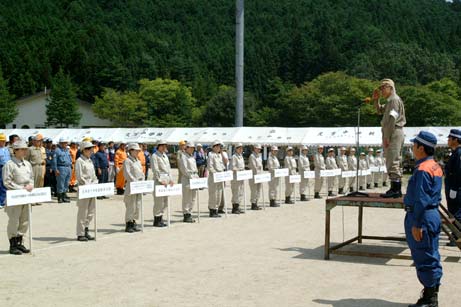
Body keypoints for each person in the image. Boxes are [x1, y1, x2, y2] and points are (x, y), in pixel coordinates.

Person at [404, 131, 443, 307]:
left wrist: (417, 223)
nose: (412, 148)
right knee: (431, 255)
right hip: (431, 215)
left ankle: (429, 300)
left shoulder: (422, 169)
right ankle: (431, 295)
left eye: (414, 145)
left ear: (421, 147)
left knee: (424, 256)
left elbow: (421, 198)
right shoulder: (435, 165)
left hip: (422, 216)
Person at [373, 78, 406, 198]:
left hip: (394, 131)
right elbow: (379, 111)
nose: (381, 90)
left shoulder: (394, 100)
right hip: (392, 131)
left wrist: (387, 136)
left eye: (383, 87)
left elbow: (392, 119)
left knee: (393, 160)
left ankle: (396, 189)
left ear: (390, 87)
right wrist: (376, 100)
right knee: (391, 159)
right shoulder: (389, 101)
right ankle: (394, 187)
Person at [2, 140, 33, 255]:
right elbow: (7, 182)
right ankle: (13, 244)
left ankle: (20, 242)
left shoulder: (28, 164)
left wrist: (31, 186)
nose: (25, 151)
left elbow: (31, 178)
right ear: (15, 151)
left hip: (26, 197)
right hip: (15, 196)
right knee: (14, 221)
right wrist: (21, 189)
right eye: (22, 149)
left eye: (25, 149)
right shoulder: (9, 165)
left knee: (25, 220)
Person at [74, 141, 98, 241]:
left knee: (91, 211)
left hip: (92, 188)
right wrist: (87, 184)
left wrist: (95, 182)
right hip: (84, 188)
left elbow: (93, 175)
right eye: (88, 149)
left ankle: (86, 229)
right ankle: (80, 233)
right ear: (83, 150)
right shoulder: (79, 161)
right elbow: (79, 176)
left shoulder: (90, 160)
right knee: (83, 211)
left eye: (91, 149)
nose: (91, 151)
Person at [123, 143, 144, 233]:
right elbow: (127, 174)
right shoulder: (127, 161)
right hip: (132, 186)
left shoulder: (138, 161)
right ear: (131, 151)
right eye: (136, 150)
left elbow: (141, 172)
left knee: (137, 205)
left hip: (139, 186)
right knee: (131, 205)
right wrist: (135, 182)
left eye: (138, 150)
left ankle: (134, 222)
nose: (137, 152)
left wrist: (142, 180)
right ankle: (129, 223)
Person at [444, 129, 461, 246]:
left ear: (456, 140)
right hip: (453, 187)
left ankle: (456, 236)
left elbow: (459, 172)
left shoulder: (459, 153)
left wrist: (455, 188)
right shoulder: (456, 152)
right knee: (454, 212)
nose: (448, 140)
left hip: (456, 188)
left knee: (456, 213)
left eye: (450, 138)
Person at [151, 140, 173, 227]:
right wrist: (160, 180)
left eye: (165, 146)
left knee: (165, 201)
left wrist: (171, 179)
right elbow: (155, 169)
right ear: (158, 146)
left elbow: (169, 169)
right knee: (158, 202)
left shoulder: (165, 156)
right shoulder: (154, 156)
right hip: (159, 182)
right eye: (162, 145)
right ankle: (157, 219)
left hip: (166, 181)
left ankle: (161, 217)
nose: (164, 147)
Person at [179, 141, 198, 222]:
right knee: (187, 197)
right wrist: (191, 177)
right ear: (186, 148)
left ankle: (190, 212)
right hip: (187, 179)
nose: (192, 149)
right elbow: (184, 169)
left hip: (194, 179)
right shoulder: (183, 156)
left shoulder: (192, 156)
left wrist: (196, 177)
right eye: (190, 148)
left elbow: (195, 168)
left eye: (193, 148)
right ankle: (186, 214)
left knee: (193, 197)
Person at [25, 134, 46, 206]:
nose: (39, 142)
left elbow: (43, 158)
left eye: (40, 141)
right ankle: (32, 200)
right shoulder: (30, 149)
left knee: (40, 183)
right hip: (33, 167)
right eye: (37, 141)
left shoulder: (40, 149)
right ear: (33, 141)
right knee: (33, 183)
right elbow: (26, 159)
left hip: (41, 167)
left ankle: (37, 199)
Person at [207, 140, 225, 217]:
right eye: (217, 146)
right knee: (213, 194)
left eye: (219, 146)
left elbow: (222, 166)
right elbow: (210, 167)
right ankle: (212, 210)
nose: (218, 148)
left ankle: (216, 209)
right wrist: (216, 174)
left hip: (220, 177)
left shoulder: (219, 155)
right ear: (213, 147)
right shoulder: (211, 154)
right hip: (213, 177)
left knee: (219, 194)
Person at [52, 137, 72, 203]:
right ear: (60, 143)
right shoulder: (57, 150)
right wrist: (56, 169)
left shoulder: (67, 150)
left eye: (66, 143)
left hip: (68, 167)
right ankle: (59, 197)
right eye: (64, 143)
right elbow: (54, 161)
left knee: (66, 183)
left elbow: (69, 159)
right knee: (60, 183)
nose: (65, 144)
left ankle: (64, 197)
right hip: (61, 168)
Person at [230, 143, 245, 213]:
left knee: (240, 192)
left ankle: (238, 206)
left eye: (241, 148)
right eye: (239, 148)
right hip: (235, 177)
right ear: (236, 149)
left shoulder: (241, 156)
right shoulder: (234, 157)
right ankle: (234, 208)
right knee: (236, 192)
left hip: (241, 177)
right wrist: (239, 170)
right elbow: (232, 167)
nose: (241, 149)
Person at [248, 144, 263, 210]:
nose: (259, 150)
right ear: (254, 149)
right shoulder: (252, 156)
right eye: (257, 149)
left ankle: (256, 203)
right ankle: (253, 204)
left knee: (258, 190)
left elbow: (261, 166)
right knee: (254, 190)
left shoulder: (259, 156)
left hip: (259, 176)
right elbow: (254, 167)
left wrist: (261, 175)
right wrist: (258, 173)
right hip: (254, 176)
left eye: (259, 149)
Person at [0, 133, 11, 209]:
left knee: (6, 184)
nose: (3, 142)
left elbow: (9, 159)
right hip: (0, 167)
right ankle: (1, 202)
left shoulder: (7, 149)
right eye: (1, 141)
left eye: (4, 141)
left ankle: (4, 201)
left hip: (7, 167)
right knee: (1, 184)